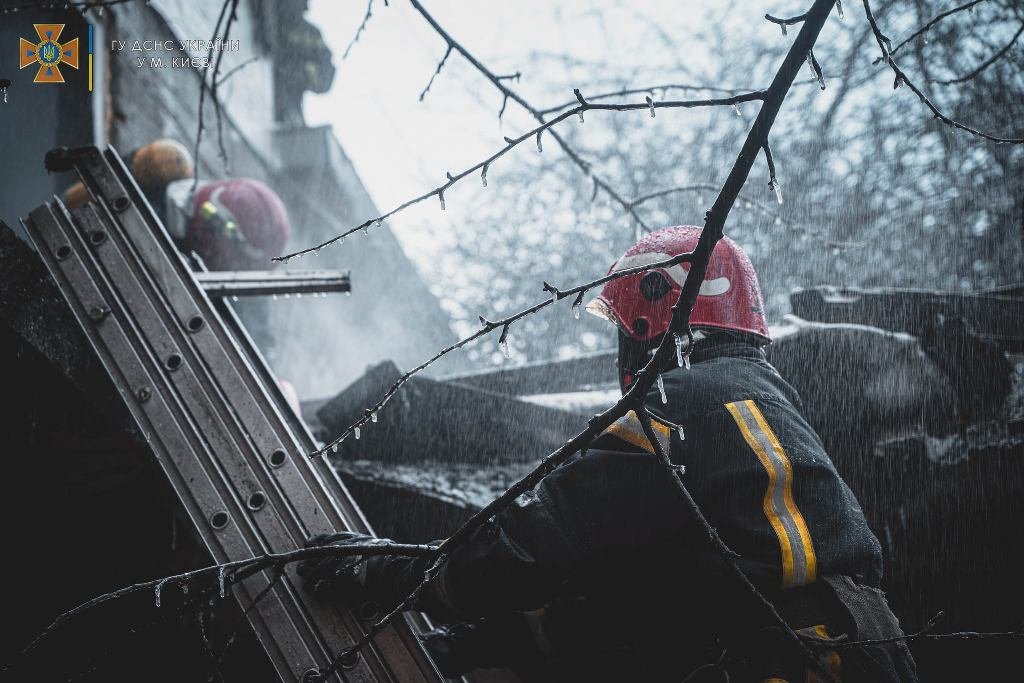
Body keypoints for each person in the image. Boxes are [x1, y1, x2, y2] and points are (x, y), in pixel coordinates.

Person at [299, 226, 918, 682]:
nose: (624, 347)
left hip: (790, 660)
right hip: (863, 647)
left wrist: (386, 573)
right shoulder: (757, 405)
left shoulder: (680, 407)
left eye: (626, 326)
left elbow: (533, 546)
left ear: (656, 317)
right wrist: (472, 646)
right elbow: (637, 604)